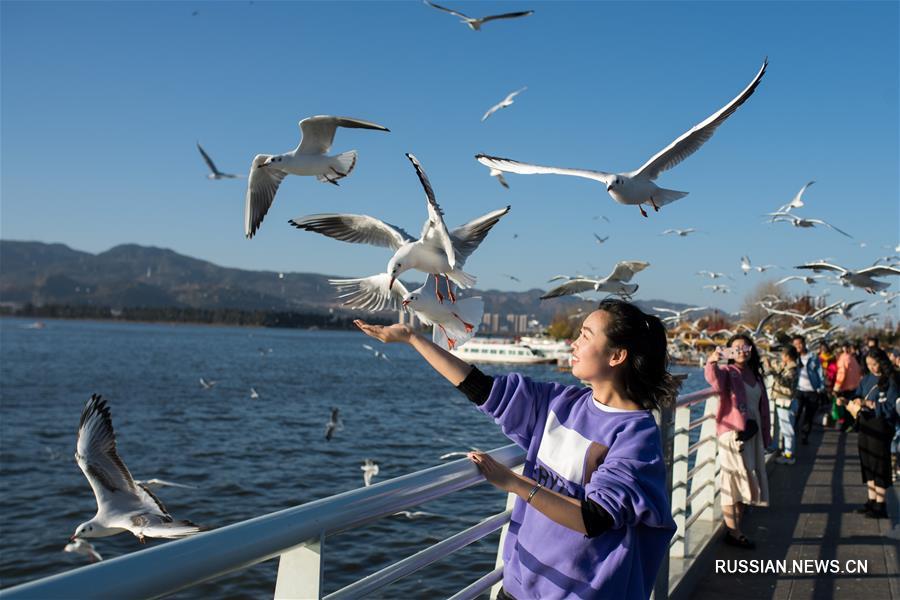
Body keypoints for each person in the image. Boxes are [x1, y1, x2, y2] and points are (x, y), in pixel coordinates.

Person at [355, 299, 678, 599]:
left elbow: (595, 519)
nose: (573, 343)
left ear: (616, 356)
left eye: (585, 335)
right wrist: (413, 338)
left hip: (580, 591)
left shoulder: (635, 434)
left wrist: (512, 482)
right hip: (520, 581)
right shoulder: (560, 402)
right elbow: (481, 388)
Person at [705, 334, 771, 549]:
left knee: (745, 478)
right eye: (736, 348)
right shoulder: (728, 373)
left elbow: (763, 408)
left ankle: (736, 528)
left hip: (753, 434)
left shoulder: (755, 374)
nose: (742, 350)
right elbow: (714, 381)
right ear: (729, 352)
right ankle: (734, 532)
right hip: (733, 434)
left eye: (745, 346)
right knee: (732, 479)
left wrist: (767, 434)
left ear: (752, 349)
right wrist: (713, 360)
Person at [845, 348, 899, 519]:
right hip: (866, 424)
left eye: (874, 364)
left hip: (882, 426)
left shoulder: (892, 380)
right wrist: (851, 401)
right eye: (868, 365)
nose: (872, 368)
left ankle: (881, 505)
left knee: (879, 463)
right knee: (867, 461)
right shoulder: (866, 378)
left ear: (882, 362)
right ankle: (871, 501)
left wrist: (871, 404)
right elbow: (858, 394)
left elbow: (892, 407)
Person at [764, 346, 799, 464]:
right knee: (786, 428)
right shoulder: (788, 366)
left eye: (783, 355)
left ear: (788, 357)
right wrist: (770, 367)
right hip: (783, 401)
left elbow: (785, 382)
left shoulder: (792, 369)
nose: (781, 358)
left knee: (787, 430)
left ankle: (789, 456)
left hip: (786, 402)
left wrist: (772, 371)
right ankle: (787, 452)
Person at [791, 335, 826, 445]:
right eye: (795, 344)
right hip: (798, 390)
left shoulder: (813, 357)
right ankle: (792, 436)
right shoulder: (793, 358)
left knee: (809, 416)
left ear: (805, 343)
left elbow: (819, 372)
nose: (798, 346)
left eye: (800, 343)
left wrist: (821, 387)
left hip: (812, 390)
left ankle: (804, 436)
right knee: (795, 413)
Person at [834, 340, 862, 432]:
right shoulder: (852, 358)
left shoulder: (843, 359)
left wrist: (836, 387)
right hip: (855, 386)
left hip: (846, 387)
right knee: (852, 407)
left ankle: (847, 426)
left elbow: (841, 374)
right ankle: (852, 425)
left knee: (846, 407)